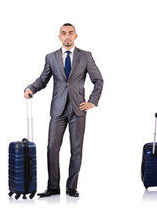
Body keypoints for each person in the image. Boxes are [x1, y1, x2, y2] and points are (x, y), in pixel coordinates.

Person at [25, 23, 104, 198]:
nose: (67, 36)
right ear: (59, 37)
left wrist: (92, 102)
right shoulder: (51, 57)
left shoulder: (86, 56)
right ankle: (53, 187)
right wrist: (31, 88)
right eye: (63, 33)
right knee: (52, 147)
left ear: (76, 36)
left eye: (70, 33)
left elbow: (98, 80)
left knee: (76, 149)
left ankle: (71, 186)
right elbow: (43, 79)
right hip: (58, 109)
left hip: (78, 108)